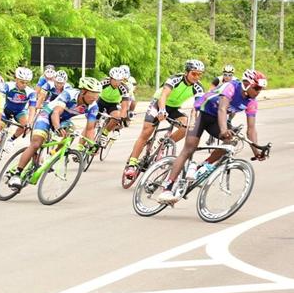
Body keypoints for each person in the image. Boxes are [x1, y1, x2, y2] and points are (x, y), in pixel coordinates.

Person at [157, 69, 268, 203]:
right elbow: (222, 108)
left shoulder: (251, 102)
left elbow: (251, 129)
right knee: (189, 148)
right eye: (257, 88)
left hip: (215, 119)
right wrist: (223, 130)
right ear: (247, 84)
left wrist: (256, 151)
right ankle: (167, 188)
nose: (258, 92)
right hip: (201, 113)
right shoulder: (231, 86)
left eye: (261, 89)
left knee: (231, 142)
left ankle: (201, 168)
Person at [7, 77, 103, 188]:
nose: (95, 97)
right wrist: (57, 127)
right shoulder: (69, 94)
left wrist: (92, 144)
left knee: (71, 131)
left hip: (63, 120)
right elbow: (56, 113)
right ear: (83, 91)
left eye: (97, 94)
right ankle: (17, 174)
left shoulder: (93, 106)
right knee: (37, 143)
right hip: (47, 115)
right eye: (92, 94)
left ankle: (50, 157)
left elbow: (90, 128)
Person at [123, 59, 206, 180]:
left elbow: (197, 106)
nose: (197, 77)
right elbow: (164, 95)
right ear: (186, 72)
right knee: (146, 132)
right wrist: (161, 110)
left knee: (186, 127)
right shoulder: (174, 79)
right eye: (194, 73)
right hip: (158, 104)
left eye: (200, 74)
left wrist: (196, 120)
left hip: (174, 108)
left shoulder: (198, 87)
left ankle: (164, 143)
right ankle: (132, 164)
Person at [0, 67, 37, 154]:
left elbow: (32, 109)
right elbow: (0, 98)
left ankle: (11, 140)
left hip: (19, 112)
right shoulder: (8, 85)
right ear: (16, 79)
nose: (24, 84)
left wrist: (30, 123)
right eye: (22, 82)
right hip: (6, 109)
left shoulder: (31, 92)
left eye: (26, 83)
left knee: (25, 125)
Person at [97, 67, 132, 146]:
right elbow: (94, 94)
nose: (117, 82)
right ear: (110, 78)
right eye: (115, 80)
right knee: (92, 122)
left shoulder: (124, 88)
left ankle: (105, 134)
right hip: (101, 101)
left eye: (119, 80)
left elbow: (125, 105)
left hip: (113, 104)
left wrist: (122, 117)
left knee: (116, 117)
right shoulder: (104, 83)